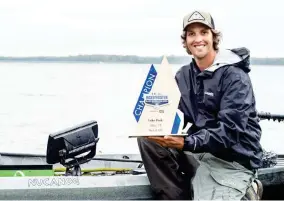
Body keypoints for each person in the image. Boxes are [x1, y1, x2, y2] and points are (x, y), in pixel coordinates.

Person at [137, 10, 264, 200]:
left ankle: (247, 188)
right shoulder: (183, 75)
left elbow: (230, 131)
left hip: (232, 161)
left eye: (204, 32)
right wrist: (154, 118)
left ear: (214, 37)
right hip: (200, 152)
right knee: (149, 140)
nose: (198, 39)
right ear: (185, 41)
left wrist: (188, 142)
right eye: (191, 34)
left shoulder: (235, 77)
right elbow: (175, 115)